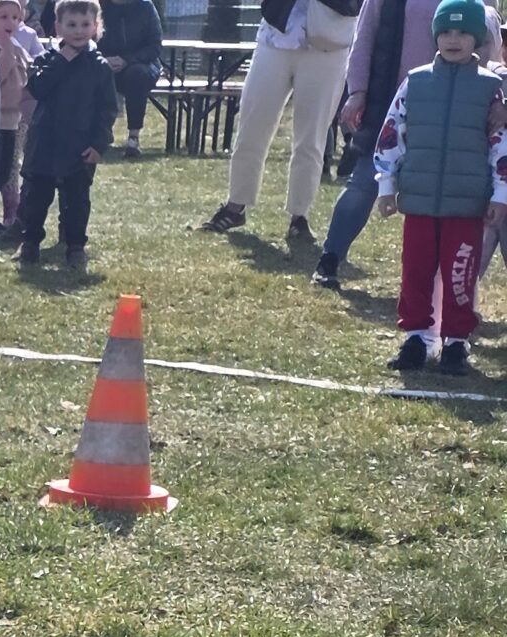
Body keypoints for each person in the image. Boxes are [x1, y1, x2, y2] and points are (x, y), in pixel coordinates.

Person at [315, 0, 502, 286]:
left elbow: (490, 40)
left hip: (461, 106)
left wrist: (495, 95)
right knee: (365, 182)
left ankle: (445, 289)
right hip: (393, 101)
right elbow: (364, 38)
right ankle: (330, 258)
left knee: (456, 204)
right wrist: (358, 91)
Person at [371, 0, 507, 373]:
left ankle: (456, 342)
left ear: (478, 39)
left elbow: (501, 146)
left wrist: (500, 193)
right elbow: (391, 133)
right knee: (415, 271)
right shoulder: (415, 82)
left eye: (463, 32)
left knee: (460, 275)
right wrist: (386, 184)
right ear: (435, 35)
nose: (453, 39)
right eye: (446, 31)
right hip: (419, 201)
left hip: (466, 206)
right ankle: (416, 337)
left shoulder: (491, 90)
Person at [199, 0, 364, 243]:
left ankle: (299, 216)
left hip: (328, 46)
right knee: (251, 127)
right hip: (274, 38)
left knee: (311, 138)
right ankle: (235, 206)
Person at [17, 0, 119, 263]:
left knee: (76, 200)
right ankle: (30, 242)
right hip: (45, 142)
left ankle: (75, 246)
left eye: (85, 24)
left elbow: (107, 110)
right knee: (36, 197)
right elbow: (37, 88)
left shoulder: (99, 67)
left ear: (96, 27)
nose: (78, 31)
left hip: (79, 145)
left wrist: (99, 144)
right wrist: (61, 61)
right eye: (71, 24)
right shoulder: (47, 59)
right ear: (58, 26)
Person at [0, 0, 33, 236]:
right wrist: (6, 54)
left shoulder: (18, 48)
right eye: (3, 17)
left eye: (15, 17)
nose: (10, 22)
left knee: (4, 171)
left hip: (13, 122)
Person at [96, 0, 163, 157]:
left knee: (136, 75)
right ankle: (98, 134)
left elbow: (155, 46)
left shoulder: (145, 7)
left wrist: (127, 60)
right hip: (104, 64)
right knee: (89, 73)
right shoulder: (97, 6)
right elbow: (87, 39)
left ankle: (133, 138)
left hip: (142, 65)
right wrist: (102, 59)